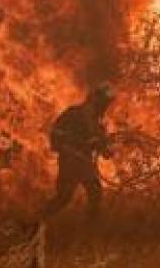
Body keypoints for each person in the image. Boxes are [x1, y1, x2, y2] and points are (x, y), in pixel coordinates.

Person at [41, 83, 115, 221]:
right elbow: (56, 133)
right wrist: (74, 143)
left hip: (83, 161)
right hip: (70, 159)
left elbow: (100, 145)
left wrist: (106, 150)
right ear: (96, 99)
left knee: (91, 192)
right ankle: (38, 220)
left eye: (107, 103)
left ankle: (90, 227)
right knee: (65, 197)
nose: (105, 107)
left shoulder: (98, 123)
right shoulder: (74, 113)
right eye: (104, 102)